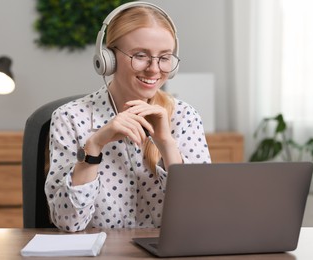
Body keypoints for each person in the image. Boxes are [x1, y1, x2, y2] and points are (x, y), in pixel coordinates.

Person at [45, 2, 211, 232]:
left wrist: (165, 143)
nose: (154, 69)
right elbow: (68, 222)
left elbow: (203, 216)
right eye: (140, 55)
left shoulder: (185, 117)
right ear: (107, 58)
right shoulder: (70, 117)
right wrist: (94, 146)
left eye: (164, 57)